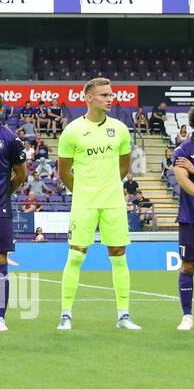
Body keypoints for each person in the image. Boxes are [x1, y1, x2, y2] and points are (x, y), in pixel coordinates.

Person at [56, 78, 138, 331]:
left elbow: (124, 164)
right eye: (103, 94)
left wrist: (110, 185)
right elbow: (64, 171)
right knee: (76, 256)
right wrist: (82, 191)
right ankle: (66, 315)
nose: (110, 98)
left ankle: (123, 315)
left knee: (119, 257)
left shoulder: (120, 129)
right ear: (88, 98)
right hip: (85, 203)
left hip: (113, 202)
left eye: (110, 94)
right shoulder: (72, 131)